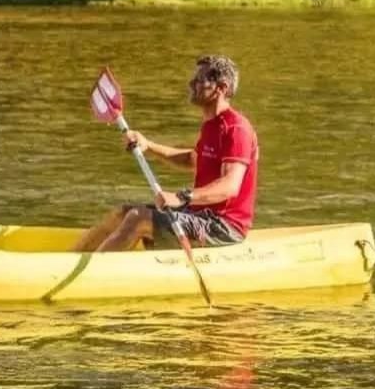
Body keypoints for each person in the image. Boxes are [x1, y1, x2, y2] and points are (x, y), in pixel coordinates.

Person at [74, 54, 259, 252]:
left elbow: (230, 186)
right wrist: (148, 145)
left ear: (221, 88)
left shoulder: (236, 128)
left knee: (138, 218)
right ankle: (70, 259)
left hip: (223, 226)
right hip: (198, 213)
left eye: (199, 80)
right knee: (123, 213)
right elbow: (192, 159)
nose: (191, 83)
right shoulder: (211, 126)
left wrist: (182, 197)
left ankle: (96, 268)